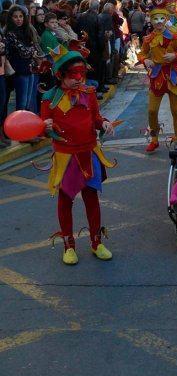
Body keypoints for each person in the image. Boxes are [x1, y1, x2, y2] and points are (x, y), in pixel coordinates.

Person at [41, 44, 116, 265]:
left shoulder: (89, 94)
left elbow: (96, 119)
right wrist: (45, 126)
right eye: (73, 75)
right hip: (65, 157)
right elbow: (44, 127)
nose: (78, 79)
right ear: (60, 74)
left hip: (88, 153)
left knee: (91, 198)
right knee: (65, 200)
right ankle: (68, 246)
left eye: (81, 74)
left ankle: (96, 242)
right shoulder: (49, 98)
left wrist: (105, 124)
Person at [136, 0, 177, 152]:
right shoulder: (149, 38)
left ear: (166, 19)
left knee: (176, 111)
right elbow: (142, 53)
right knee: (152, 111)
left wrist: (175, 55)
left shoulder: (174, 36)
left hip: (173, 76)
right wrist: (145, 59)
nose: (158, 22)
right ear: (151, 20)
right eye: (155, 19)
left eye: (161, 19)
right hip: (157, 77)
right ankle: (154, 138)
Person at [4, 5, 42, 112]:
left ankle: (26, 125)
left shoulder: (26, 30)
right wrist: (31, 50)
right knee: (22, 101)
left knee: (28, 100)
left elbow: (35, 47)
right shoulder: (10, 33)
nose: (19, 19)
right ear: (11, 18)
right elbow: (24, 51)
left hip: (30, 68)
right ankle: (19, 126)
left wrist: (30, 50)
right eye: (15, 17)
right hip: (19, 70)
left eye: (21, 16)